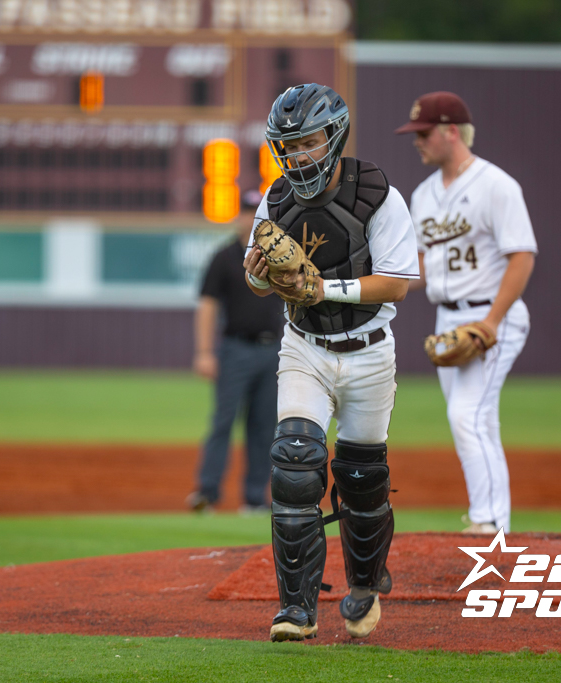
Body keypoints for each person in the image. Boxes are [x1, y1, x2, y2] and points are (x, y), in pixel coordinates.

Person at [243, 83, 420, 642]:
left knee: (363, 479)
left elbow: (397, 284)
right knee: (294, 463)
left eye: (308, 142)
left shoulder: (378, 194)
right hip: (305, 346)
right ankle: (296, 609)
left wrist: (322, 287)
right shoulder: (275, 200)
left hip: (369, 350)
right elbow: (256, 279)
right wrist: (260, 275)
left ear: (335, 136)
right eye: (288, 146)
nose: (298, 156)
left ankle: (364, 584)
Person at [395, 91, 537, 535]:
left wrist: (491, 322)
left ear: (452, 132)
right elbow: (421, 266)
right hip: (448, 318)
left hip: (491, 315)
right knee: (479, 421)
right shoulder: (423, 195)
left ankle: (487, 521)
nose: (417, 141)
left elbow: (522, 257)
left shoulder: (496, 185)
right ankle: (497, 525)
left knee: (466, 415)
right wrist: (377, 284)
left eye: (424, 133)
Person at [187, 222, 285, 513]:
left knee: (264, 425)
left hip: (273, 349)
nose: (250, 218)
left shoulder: (281, 254)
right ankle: (208, 492)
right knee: (223, 420)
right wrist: (204, 352)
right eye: (246, 211)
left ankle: (255, 498)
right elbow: (207, 304)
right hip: (235, 348)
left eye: (255, 211)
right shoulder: (225, 256)